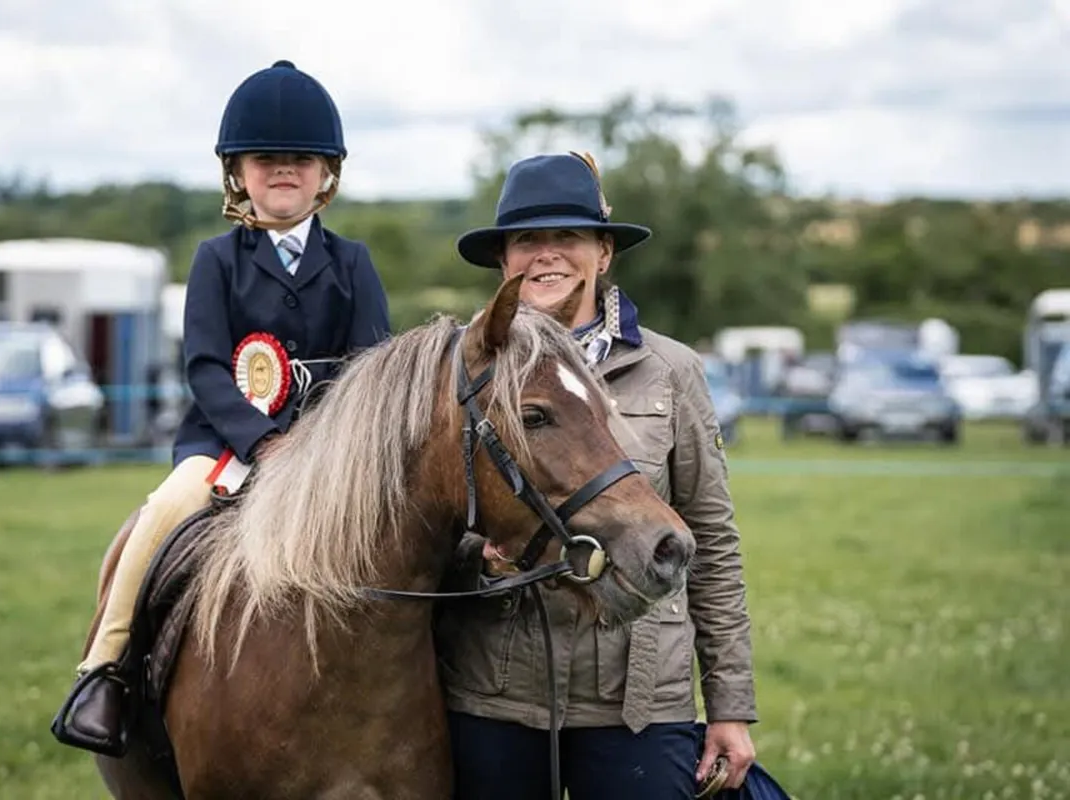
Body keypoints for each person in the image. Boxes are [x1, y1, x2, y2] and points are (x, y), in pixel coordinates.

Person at [50, 60, 391, 757]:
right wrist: (262, 442)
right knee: (161, 515)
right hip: (224, 445)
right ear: (238, 174)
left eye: (301, 160)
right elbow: (205, 366)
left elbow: (373, 370)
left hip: (333, 453)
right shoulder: (215, 259)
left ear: (328, 175)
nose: (285, 172)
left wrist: (327, 444)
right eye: (267, 161)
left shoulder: (354, 262)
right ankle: (106, 672)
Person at [435, 152, 759, 799]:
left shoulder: (672, 371)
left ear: (604, 252)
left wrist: (730, 705)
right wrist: (481, 559)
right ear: (504, 260)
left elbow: (712, 543)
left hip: (636, 700)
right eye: (528, 240)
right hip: (496, 693)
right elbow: (423, 528)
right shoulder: (457, 374)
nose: (546, 255)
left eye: (568, 237)